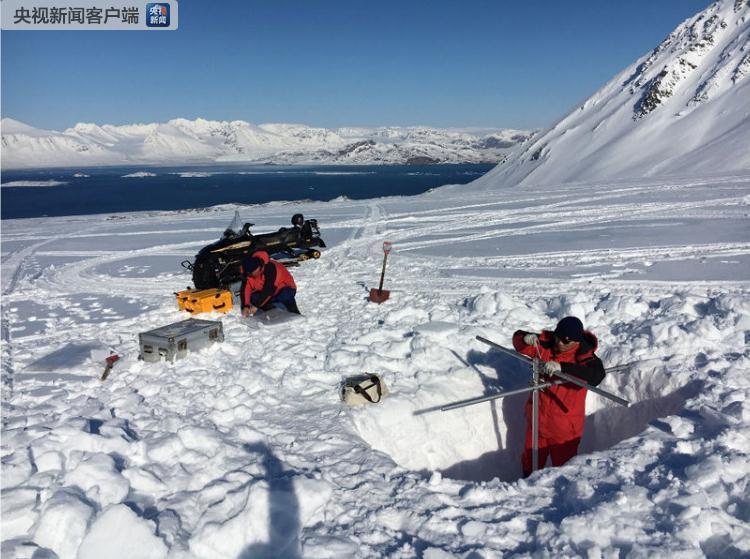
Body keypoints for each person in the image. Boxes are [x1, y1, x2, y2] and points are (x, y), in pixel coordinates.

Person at [512, 316, 605, 477]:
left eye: (566, 341)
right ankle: (525, 491)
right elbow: (518, 342)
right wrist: (524, 338)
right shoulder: (547, 347)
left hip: (565, 430)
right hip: (537, 423)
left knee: (564, 471)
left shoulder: (585, 357)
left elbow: (597, 376)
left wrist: (563, 368)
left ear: (577, 341)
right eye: (558, 338)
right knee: (530, 463)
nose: (560, 343)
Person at [240, 251, 300, 316]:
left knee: (285, 295)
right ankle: (271, 312)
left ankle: (294, 312)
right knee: (254, 297)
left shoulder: (270, 268)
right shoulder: (247, 274)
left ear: (259, 267)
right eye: (249, 273)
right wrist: (245, 306)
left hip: (283, 289)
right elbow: (245, 289)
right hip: (268, 293)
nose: (251, 274)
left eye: (253, 271)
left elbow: (269, 289)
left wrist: (257, 306)